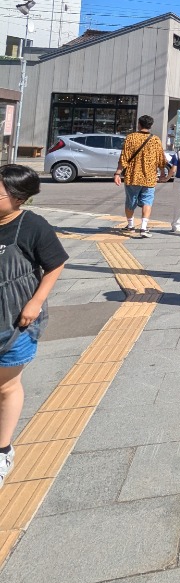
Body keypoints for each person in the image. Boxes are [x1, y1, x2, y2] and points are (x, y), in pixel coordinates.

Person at [0, 165, 68, 488]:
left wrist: (36, 301)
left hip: (14, 321)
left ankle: (3, 450)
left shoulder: (33, 226)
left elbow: (56, 263)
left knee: (5, 386)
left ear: (17, 198)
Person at [113, 115, 170, 238]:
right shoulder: (155, 140)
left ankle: (131, 225)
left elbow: (124, 158)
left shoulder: (131, 138)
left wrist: (117, 173)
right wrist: (163, 173)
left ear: (139, 124)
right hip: (149, 176)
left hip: (133, 176)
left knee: (130, 201)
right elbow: (161, 158)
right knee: (147, 202)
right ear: (150, 125)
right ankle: (144, 228)